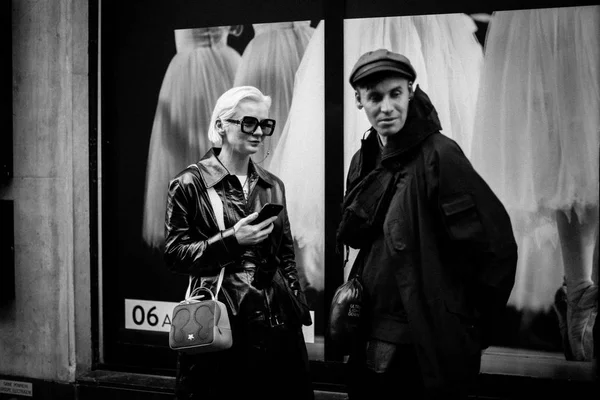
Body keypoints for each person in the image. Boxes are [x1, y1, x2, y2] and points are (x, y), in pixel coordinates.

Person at [336, 49, 518, 399]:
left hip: (420, 342)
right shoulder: (365, 157)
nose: (386, 107)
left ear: (411, 91)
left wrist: (468, 327)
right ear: (359, 100)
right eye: (374, 97)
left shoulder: (439, 155)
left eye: (395, 94)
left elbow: (495, 249)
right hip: (369, 335)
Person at [164, 86, 314, 400]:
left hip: (276, 321)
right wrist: (233, 240)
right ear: (221, 125)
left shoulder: (272, 184)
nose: (259, 132)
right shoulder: (190, 183)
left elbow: (286, 254)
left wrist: (296, 306)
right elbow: (175, 254)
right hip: (222, 318)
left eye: (264, 124)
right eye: (249, 123)